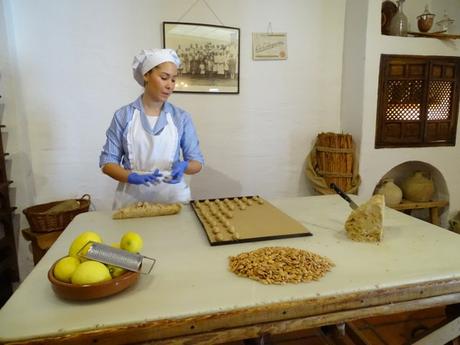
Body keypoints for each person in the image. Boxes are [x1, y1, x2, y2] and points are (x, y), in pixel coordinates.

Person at [99, 48, 204, 209]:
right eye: (164, 78)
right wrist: (131, 177)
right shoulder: (123, 116)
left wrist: (184, 166)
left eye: (173, 80)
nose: (170, 85)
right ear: (146, 75)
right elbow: (107, 163)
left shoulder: (181, 118)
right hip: (132, 200)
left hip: (173, 199)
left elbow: (197, 162)